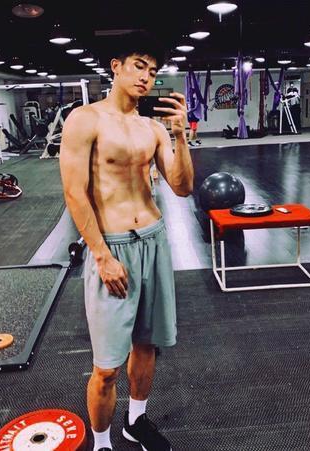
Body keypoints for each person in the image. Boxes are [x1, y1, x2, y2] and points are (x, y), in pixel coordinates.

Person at [59, 31, 194, 451]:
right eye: (139, 66)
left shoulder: (152, 127)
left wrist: (180, 135)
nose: (146, 77)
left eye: (153, 71)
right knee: (106, 367)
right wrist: (101, 256)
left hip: (153, 240)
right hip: (112, 247)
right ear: (115, 67)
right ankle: (101, 443)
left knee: (147, 345)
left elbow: (182, 187)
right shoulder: (85, 119)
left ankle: (136, 421)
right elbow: (74, 193)